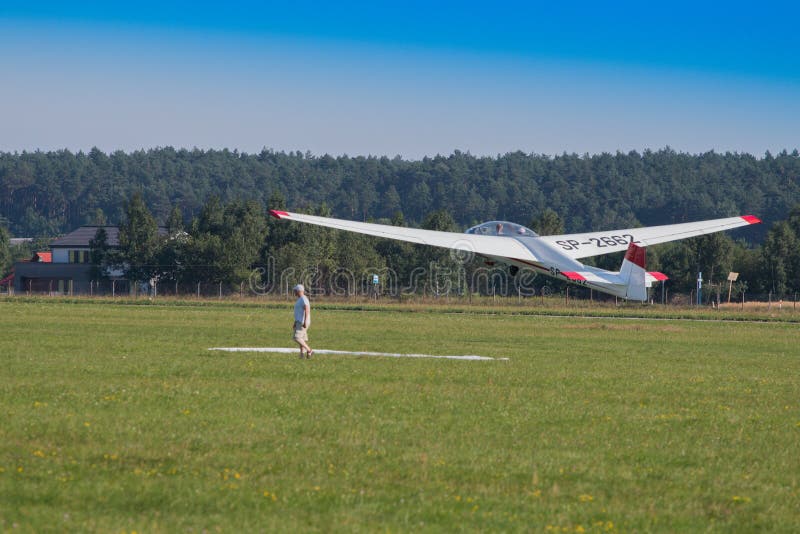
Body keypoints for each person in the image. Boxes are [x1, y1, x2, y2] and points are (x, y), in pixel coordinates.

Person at [292, 284, 313, 359]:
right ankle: (302, 355)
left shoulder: (303, 299)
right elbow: (299, 312)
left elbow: (307, 310)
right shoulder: (300, 299)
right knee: (302, 339)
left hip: (302, 322)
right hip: (299, 321)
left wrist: (305, 321)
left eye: (295, 291)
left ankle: (309, 350)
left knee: (297, 338)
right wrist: (295, 322)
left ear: (299, 291)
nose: (294, 292)